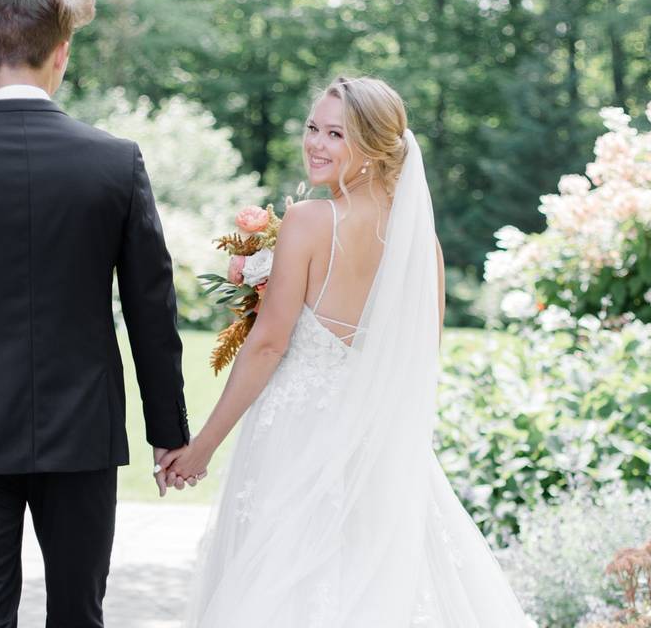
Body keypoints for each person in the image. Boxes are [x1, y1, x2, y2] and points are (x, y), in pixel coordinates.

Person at [159, 76, 534, 627]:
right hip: (377, 447)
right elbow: (418, 361)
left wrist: (203, 446)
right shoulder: (421, 247)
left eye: (336, 133)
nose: (315, 143)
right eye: (313, 128)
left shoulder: (311, 221)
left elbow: (267, 345)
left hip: (294, 437)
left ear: (377, 146)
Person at [0, 0, 194, 625]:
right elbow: (151, 309)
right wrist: (168, 433)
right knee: (80, 615)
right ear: (62, 52)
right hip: (83, 431)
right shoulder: (115, 162)